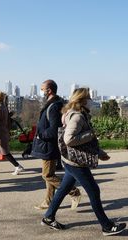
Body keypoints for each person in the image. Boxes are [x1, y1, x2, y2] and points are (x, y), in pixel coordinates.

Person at [41, 87, 127, 236]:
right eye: (89, 98)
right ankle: (106, 226)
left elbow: (85, 143)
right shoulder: (77, 117)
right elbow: (69, 139)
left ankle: (49, 217)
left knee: (63, 189)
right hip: (76, 162)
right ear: (82, 100)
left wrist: (99, 153)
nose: (91, 101)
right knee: (94, 191)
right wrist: (89, 134)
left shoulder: (75, 114)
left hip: (70, 159)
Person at [31, 79, 81, 210]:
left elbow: (54, 130)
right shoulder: (53, 104)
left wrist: (41, 134)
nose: (41, 91)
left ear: (49, 90)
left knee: (47, 175)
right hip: (49, 146)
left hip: (49, 146)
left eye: (42, 89)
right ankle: (48, 202)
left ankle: (73, 191)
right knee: (49, 174)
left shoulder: (53, 106)